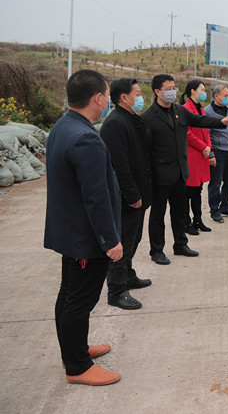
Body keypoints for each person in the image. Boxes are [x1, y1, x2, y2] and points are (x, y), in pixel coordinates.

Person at [45, 69, 123, 386]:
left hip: (70, 231)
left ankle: (73, 350)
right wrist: (110, 240)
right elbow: (96, 198)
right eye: (107, 96)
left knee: (68, 294)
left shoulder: (63, 126)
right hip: (86, 237)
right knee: (80, 300)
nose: (107, 101)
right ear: (98, 98)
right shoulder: (86, 138)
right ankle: (77, 366)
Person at [141, 74, 228, 265]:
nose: (172, 92)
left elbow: (200, 120)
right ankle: (157, 250)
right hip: (160, 176)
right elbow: (145, 150)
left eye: (174, 88)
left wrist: (221, 122)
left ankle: (180, 244)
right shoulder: (148, 117)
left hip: (180, 172)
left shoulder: (179, 110)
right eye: (168, 89)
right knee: (158, 215)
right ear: (157, 92)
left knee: (179, 212)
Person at [99, 78, 152, 311]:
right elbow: (119, 165)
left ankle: (129, 276)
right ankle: (116, 291)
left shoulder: (131, 119)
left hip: (139, 193)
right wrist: (132, 194)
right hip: (127, 198)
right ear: (124, 97)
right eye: (137, 94)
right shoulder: (115, 123)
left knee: (134, 240)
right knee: (123, 244)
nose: (140, 98)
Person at [181, 80, 214, 235]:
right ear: (193, 91)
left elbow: (206, 130)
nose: (204, 92)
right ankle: (186, 223)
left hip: (202, 155)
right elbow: (187, 133)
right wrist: (203, 146)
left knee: (197, 191)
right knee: (188, 192)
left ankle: (198, 220)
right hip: (192, 156)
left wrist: (209, 147)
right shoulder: (185, 109)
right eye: (202, 90)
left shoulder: (201, 109)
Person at [205, 84, 228, 223]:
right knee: (215, 183)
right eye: (225, 96)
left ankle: (225, 207)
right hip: (218, 152)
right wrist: (211, 154)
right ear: (216, 96)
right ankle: (215, 211)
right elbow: (207, 134)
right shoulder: (208, 112)